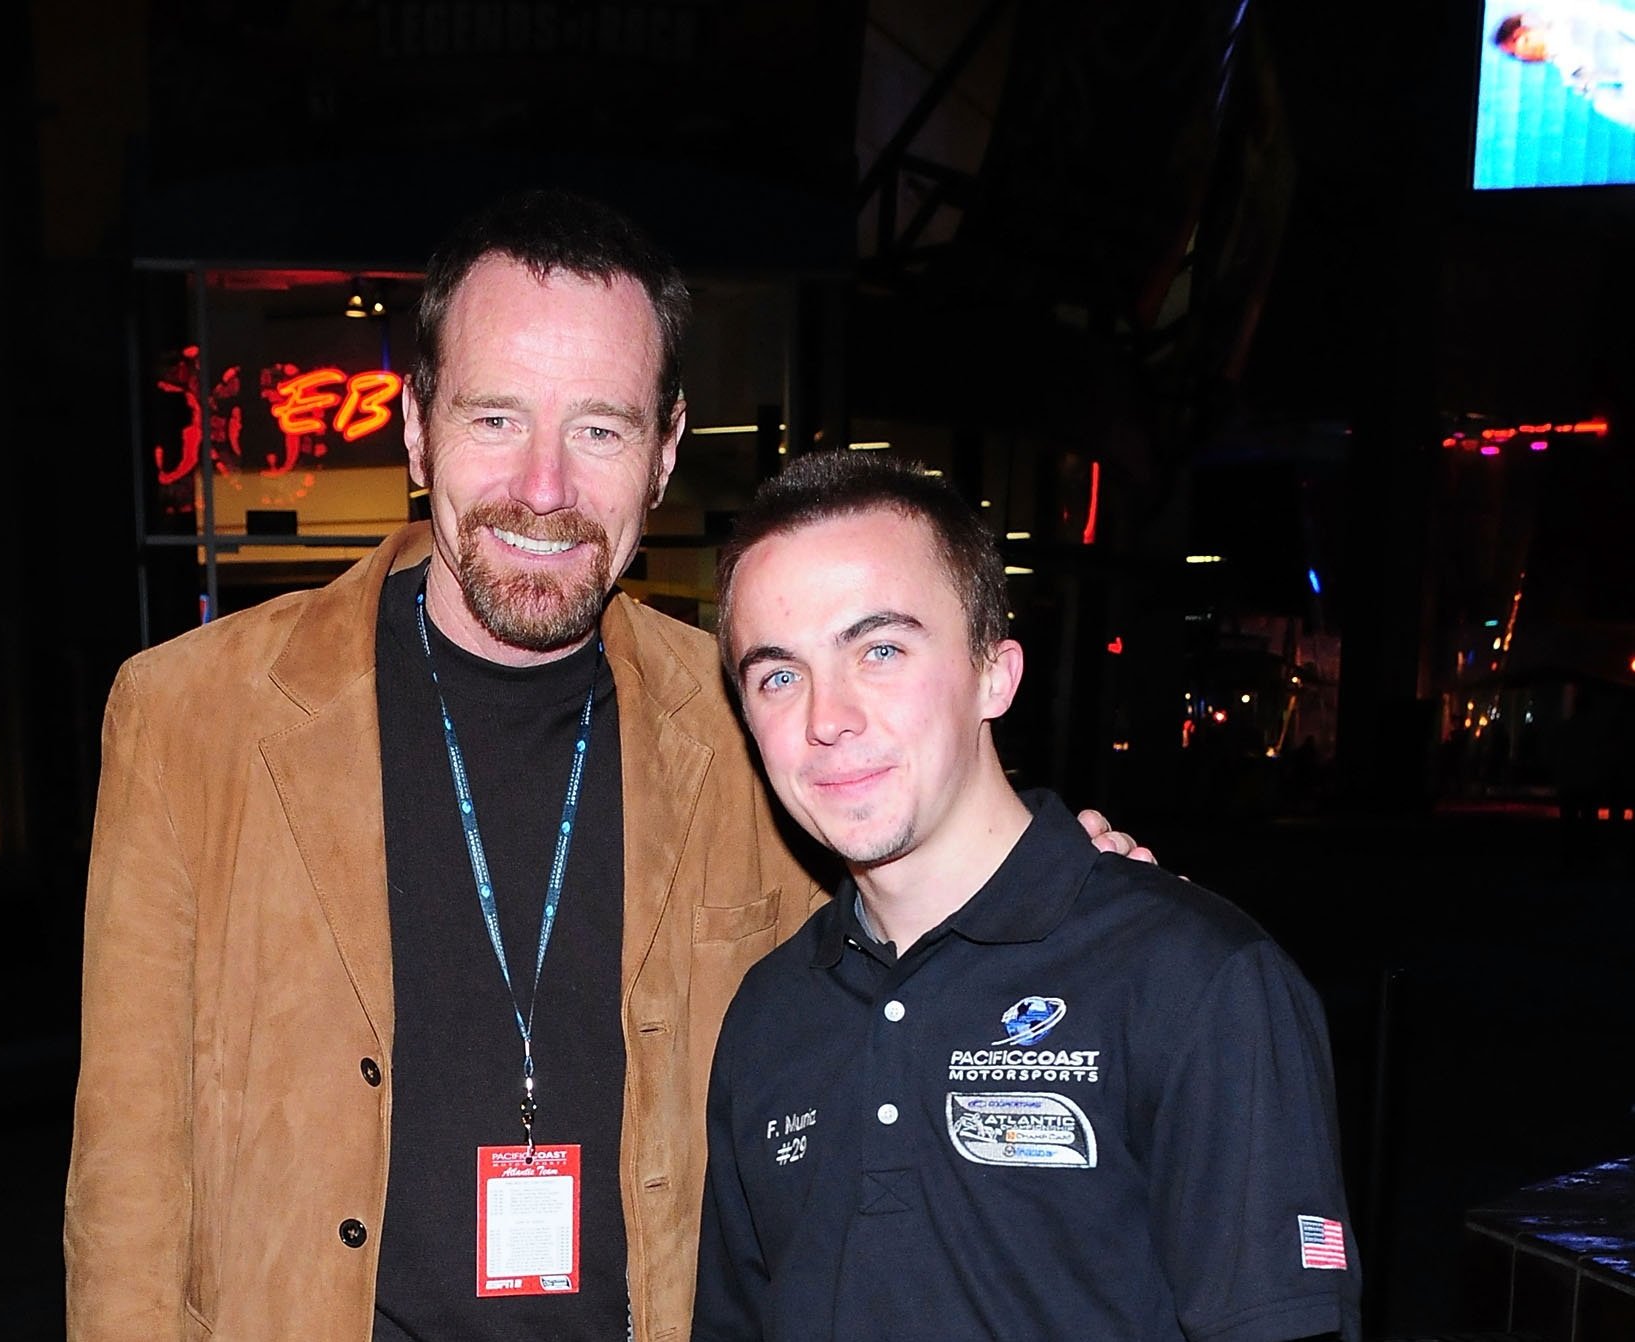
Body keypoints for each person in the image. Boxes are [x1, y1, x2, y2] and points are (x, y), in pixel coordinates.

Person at [63, 189, 1146, 1340]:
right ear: (417, 424)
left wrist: (1058, 890)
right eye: (495, 420)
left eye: (599, 428)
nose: (544, 487)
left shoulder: (754, 720)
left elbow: (916, 930)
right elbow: (126, 1190)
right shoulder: (190, 717)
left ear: (666, 449)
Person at [696, 451, 1361, 1341]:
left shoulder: (1195, 980)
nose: (827, 717)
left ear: (994, 674)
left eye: (880, 649)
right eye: (778, 674)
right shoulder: (770, 1012)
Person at [1494, 3, 1635, 128]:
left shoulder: (1567, 15)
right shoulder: (1573, 75)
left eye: (1516, 47)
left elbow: (1615, 17)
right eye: (1515, 54)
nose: (1521, 55)